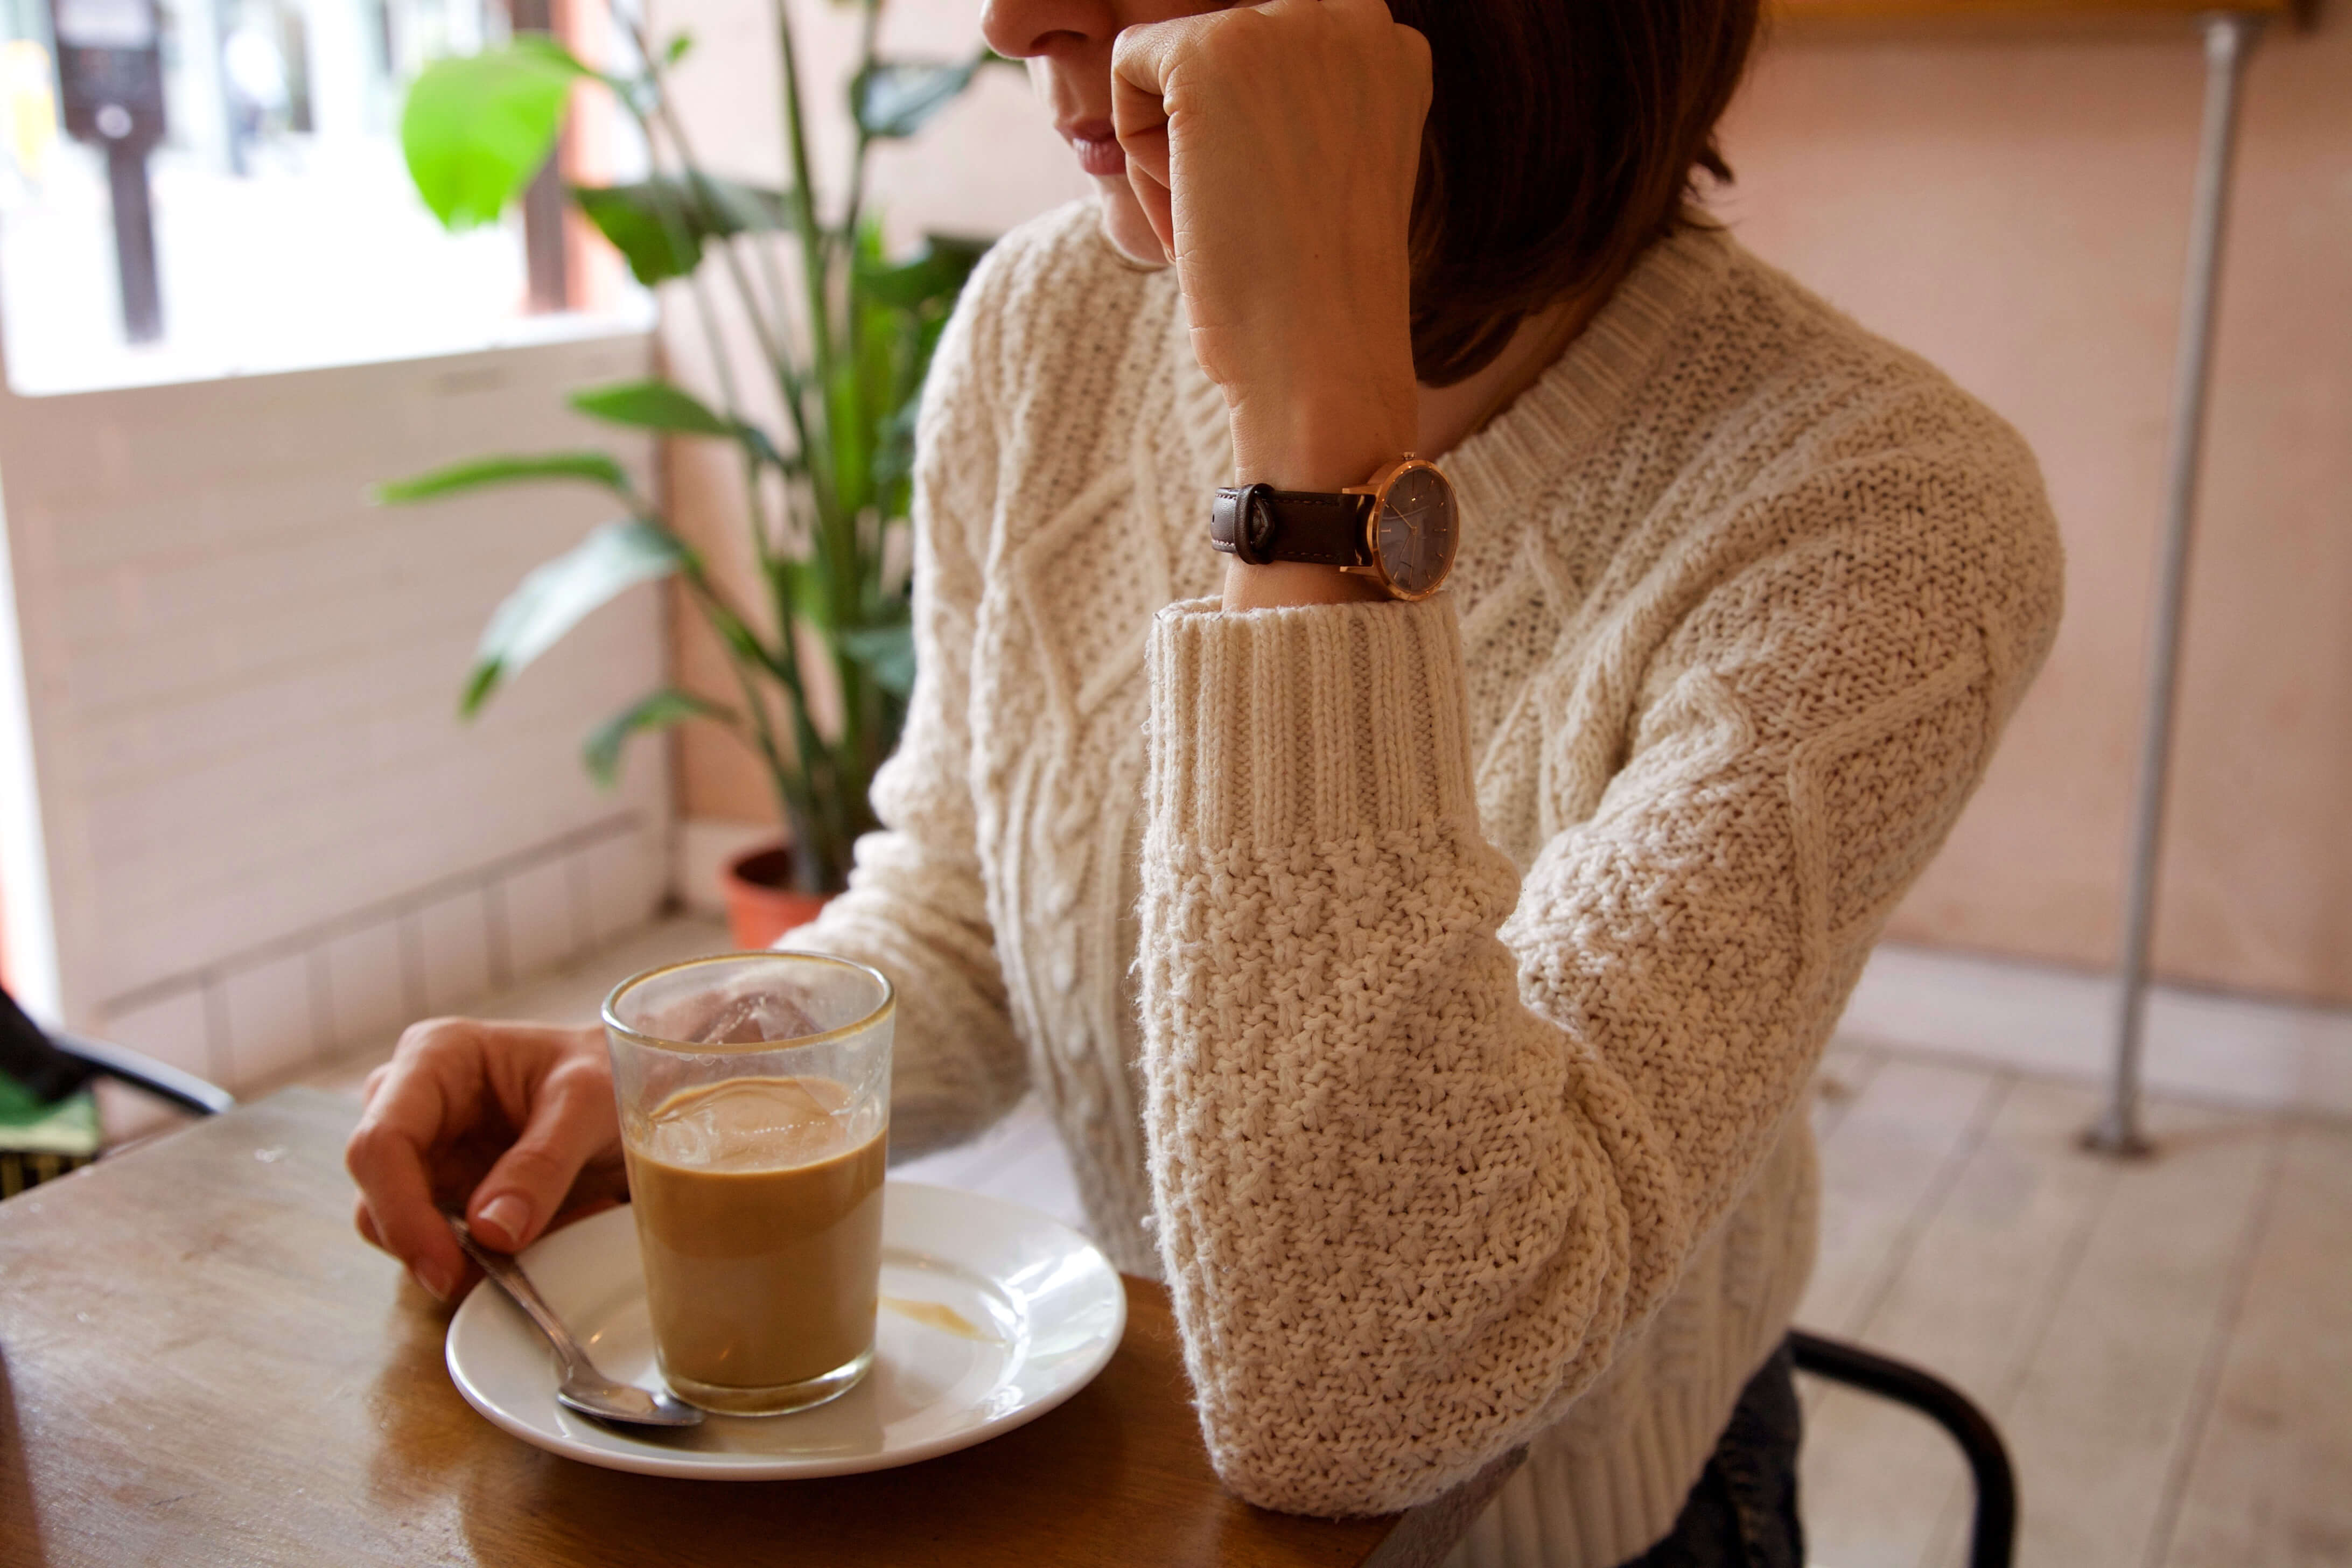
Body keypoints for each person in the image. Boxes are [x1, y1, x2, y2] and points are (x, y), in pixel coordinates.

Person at [345, 0, 2064, 1561]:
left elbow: (1377, 1396)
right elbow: (964, 908)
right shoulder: (1043, 331)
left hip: (1579, 1524)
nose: (1015, 23)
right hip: (1167, 1478)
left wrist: (1316, 446)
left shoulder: (1884, 515)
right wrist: (684, 1082)